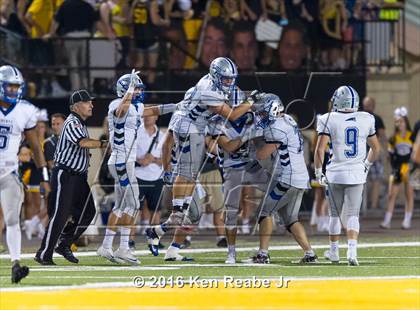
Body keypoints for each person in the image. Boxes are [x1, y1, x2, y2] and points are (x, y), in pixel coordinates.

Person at [146, 57, 262, 261]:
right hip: (185, 161)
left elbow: (220, 137)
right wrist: (251, 103)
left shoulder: (196, 112)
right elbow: (233, 115)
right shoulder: (204, 95)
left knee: (194, 215)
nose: (229, 83)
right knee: (186, 204)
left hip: (193, 156)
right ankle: (173, 215)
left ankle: (165, 241)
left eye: (230, 79)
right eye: (225, 79)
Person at [97, 70, 177, 264]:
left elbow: (152, 110)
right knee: (133, 204)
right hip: (121, 161)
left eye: (139, 89)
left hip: (124, 162)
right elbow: (120, 111)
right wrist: (129, 91)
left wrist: (177, 106)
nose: (138, 92)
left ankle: (106, 246)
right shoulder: (117, 103)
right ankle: (124, 247)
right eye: (135, 89)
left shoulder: (135, 106)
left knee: (121, 206)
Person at [245, 93, 318, 264]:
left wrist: (248, 150)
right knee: (290, 219)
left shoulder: (276, 128)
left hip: (288, 179)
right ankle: (310, 254)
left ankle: (263, 255)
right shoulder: (288, 120)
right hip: (300, 178)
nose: (260, 116)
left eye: (263, 112)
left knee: (264, 212)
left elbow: (263, 153)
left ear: (273, 109)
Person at [35, 89, 105, 265]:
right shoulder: (72, 122)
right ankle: (44, 253)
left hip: (79, 177)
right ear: (76, 106)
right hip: (65, 174)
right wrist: (105, 143)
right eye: (87, 102)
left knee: (89, 212)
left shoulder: (80, 123)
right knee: (60, 215)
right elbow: (83, 143)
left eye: (91, 101)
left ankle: (64, 243)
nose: (91, 105)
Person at [315, 86, 381, 266]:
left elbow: (320, 149)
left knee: (334, 215)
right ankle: (352, 252)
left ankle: (334, 252)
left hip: (336, 173)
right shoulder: (366, 118)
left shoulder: (328, 119)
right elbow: (376, 148)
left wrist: (318, 172)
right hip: (356, 174)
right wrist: (366, 165)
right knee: (353, 214)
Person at [0, 65, 50, 283]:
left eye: (15, 86)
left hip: (8, 171)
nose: (13, 90)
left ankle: (15, 264)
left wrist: (45, 177)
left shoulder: (25, 110)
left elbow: (36, 147)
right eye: (9, 86)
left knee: (12, 219)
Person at [24, 113, 66, 240]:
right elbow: (51, 164)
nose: (55, 126)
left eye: (58, 124)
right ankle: (36, 223)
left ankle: (39, 226)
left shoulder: (66, 140)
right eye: (53, 124)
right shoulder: (49, 142)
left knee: (54, 207)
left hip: (63, 178)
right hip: (54, 178)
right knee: (50, 206)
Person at [380, 107, 414, 230]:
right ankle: (387, 221)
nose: (400, 124)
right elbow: (390, 154)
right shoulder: (393, 138)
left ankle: (407, 220)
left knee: (409, 194)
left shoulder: (412, 136)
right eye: (398, 121)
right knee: (391, 194)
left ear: (406, 122)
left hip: (410, 169)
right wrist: (389, 153)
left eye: (402, 121)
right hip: (397, 169)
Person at [134, 114, 165, 249]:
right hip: (138, 176)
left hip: (156, 177)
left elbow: (166, 158)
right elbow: (128, 153)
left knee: (156, 211)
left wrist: (152, 159)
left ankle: (155, 240)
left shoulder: (162, 136)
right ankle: (130, 241)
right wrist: (140, 161)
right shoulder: (136, 132)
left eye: (151, 115)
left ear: (156, 117)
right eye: (145, 115)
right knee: (134, 210)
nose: (147, 118)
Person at [362, 96, 386, 210]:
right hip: (366, 151)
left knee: (374, 180)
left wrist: (382, 151)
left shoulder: (375, 119)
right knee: (372, 180)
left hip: (371, 151)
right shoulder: (368, 118)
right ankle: (368, 205)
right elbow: (382, 136)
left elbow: (382, 136)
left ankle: (371, 205)